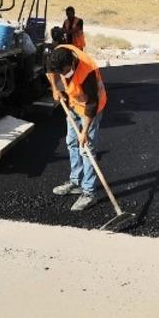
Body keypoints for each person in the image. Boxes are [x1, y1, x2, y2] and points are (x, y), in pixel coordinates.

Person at [45, 43, 107, 212]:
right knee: (72, 142)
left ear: (72, 63)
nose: (63, 75)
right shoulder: (58, 55)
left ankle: (89, 193)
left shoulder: (87, 71)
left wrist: (84, 132)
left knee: (86, 148)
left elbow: (92, 104)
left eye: (65, 71)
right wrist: (55, 89)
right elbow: (50, 69)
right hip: (73, 104)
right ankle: (76, 182)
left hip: (90, 108)